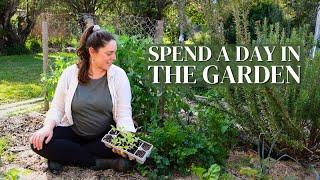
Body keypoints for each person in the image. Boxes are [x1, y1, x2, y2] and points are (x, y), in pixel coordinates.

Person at [29, 25, 137, 175]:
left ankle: (62, 157)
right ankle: (100, 162)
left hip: (103, 137)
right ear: (92, 52)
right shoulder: (70, 74)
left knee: (131, 148)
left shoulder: (118, 76)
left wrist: (125, 136)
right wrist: (47, 127)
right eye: (109, 53)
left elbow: (124, 113)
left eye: (114, 53)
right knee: (38, 143)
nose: (114, 57)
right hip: (73, 132)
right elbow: (57, 108)